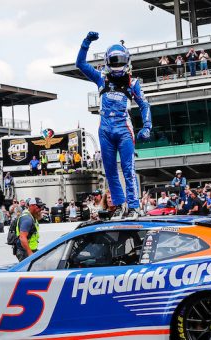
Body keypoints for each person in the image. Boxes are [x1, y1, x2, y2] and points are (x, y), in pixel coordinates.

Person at [76, 31, 152, 219]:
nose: (117, 65)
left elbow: (144, 104)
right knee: (110, 171)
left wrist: (147, 126)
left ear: (127, 61)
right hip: (105, 131)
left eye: (120, 61)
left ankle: (134, 207)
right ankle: (119, 206)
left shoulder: (132, 82)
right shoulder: (101, 78)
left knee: (128, 169)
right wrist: (86, 43)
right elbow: (80, 64)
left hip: (124, 130)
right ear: (107, 61)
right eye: (114, 61)